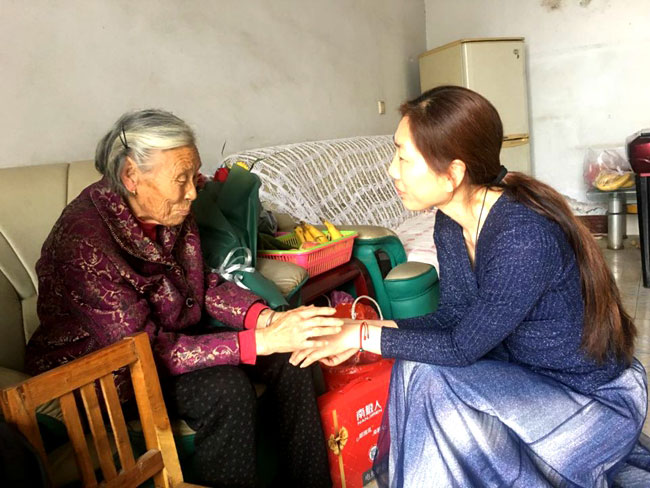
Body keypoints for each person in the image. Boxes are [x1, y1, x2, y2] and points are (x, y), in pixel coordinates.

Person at [291, 86, 650, 486]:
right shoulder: (451, 222)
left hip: (586, 402)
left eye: (404, 158)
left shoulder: (521, 236)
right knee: (416, 366)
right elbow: (453, 317)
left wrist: (361, 336)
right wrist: (358, 331)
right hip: (524, 382)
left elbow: (461, 347)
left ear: (454, 174)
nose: (392, 170)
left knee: (433, 379)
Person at [25, 109, 340, 488]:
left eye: (194, 176)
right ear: (131, 176)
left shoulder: (169, 209)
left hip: (173, 340)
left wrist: (268, 320)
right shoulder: (85, 241)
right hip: (104, 371)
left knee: (293, 357)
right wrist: (257, 341)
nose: (193, 191)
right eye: (181, 179)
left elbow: (202, 284)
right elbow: (141, 350)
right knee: (226, 390)